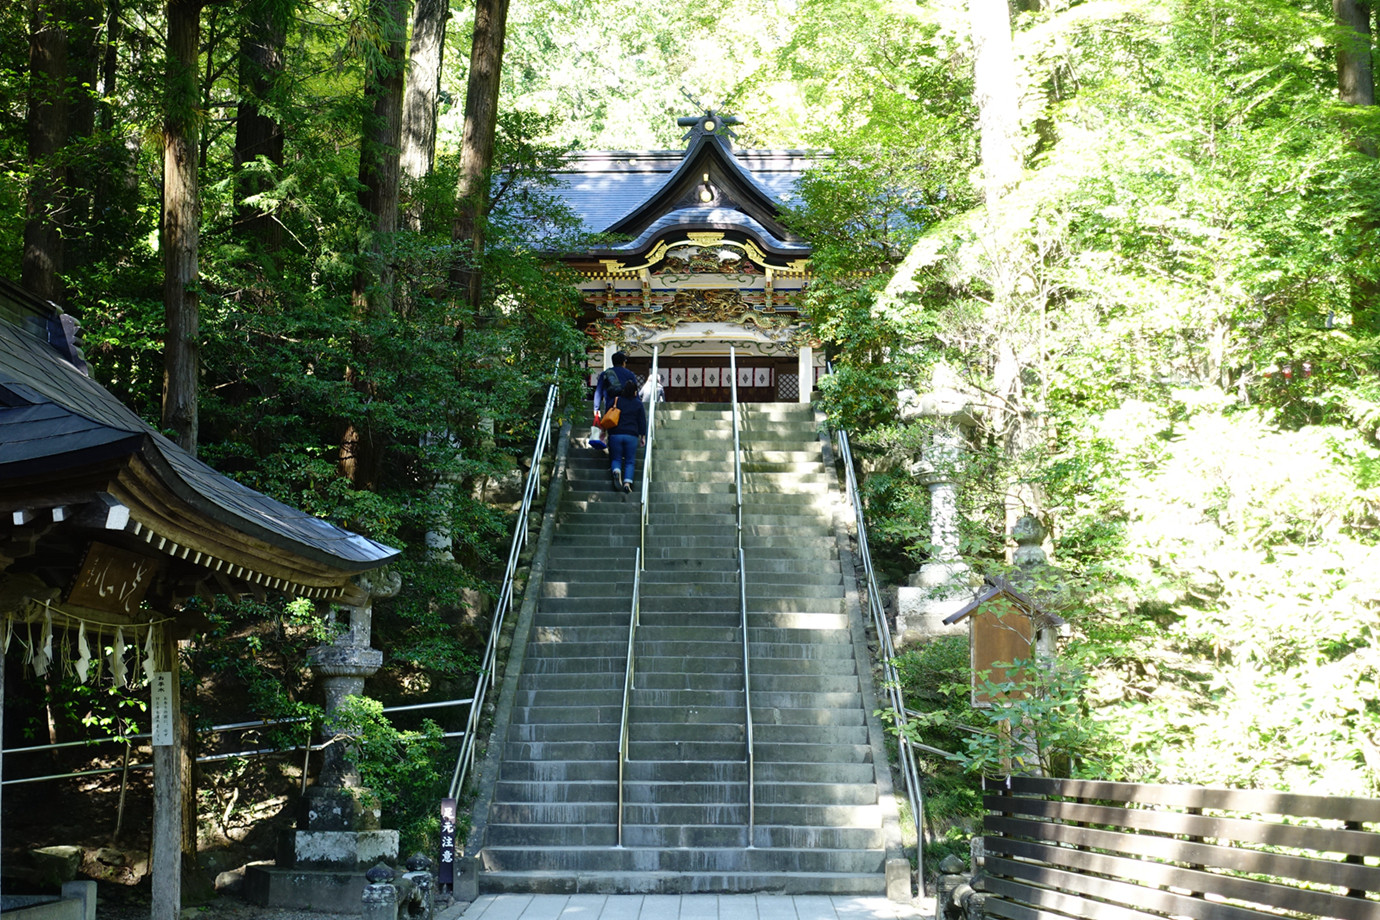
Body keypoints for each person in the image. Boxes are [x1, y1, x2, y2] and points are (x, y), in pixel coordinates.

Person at [606, 379, 647, 493]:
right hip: (631, 435)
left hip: (615, 434)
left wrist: (604, 431)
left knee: (616, 458)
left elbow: (607, 414)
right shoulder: (638, 404)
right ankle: (627, 483)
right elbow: (642, 421)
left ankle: (616, 470)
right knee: (630, 460)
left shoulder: (616, 400)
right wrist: (642, 436)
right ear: (635, 392)